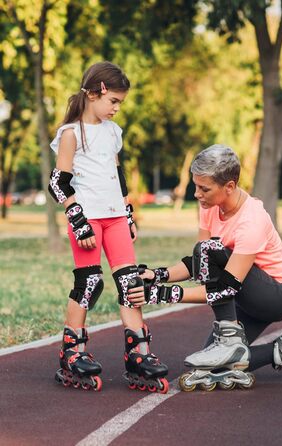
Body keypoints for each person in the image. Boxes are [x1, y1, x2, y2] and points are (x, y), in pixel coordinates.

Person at [128, 144, 282, 390]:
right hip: (243, 292)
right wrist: (158, 275)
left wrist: (161, 295)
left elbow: (225, 289)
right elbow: (200, 264)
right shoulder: (210, 207)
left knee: (210, 252)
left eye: (204, 188)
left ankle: (229, 342)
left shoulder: (252, 219)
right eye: (196, 186)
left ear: (229, 187)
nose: (197, 194)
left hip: (276, 294)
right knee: (213, 365)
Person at [48, 61, 168, 393]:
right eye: (113, 101)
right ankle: (72, 352)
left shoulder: (113, 132)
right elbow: (58, 183)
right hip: (87, 219)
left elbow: (119, 177)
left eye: (120, 103)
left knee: (131, 283)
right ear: (94, 93)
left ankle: (139, 355)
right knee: (91, 283)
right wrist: (77, 219)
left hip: (115, 216)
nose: (116, 108)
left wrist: (128, 215)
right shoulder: (71, 134)